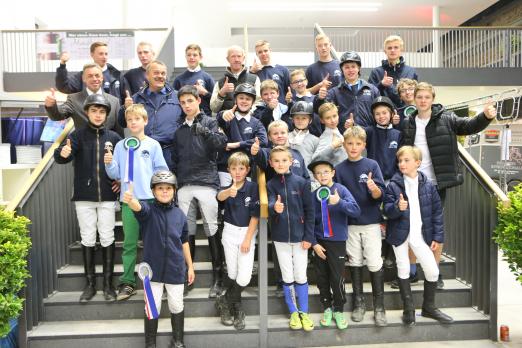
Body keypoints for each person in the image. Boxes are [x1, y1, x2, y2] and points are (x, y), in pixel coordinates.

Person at [400, 82, 497, 289]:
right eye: (420, 97)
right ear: (414, 99)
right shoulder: (409, 122)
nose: (423, 100)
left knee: (434, 229)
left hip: (436, 184)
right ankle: (413, 272)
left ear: (432, 99)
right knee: (412, 228)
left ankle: (434, 273)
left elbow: (469, 126)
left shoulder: (447, 118)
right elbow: (401, 151)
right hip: (412, 183)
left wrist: (486, 116)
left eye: (427, 97)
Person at [54, 94, 121, 303]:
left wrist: (119, 179)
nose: (98, 114)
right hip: (84, 196)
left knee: (108, 237)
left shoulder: (115, 138)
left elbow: (121, 167)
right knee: (88, 238)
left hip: (108, 197)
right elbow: (62, 156)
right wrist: (62, 153)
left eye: (102, 111)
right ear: (87, 112)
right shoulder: (78, 136)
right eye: (94, 110)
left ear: (107, 115)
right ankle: (90, 285)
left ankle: (108, 285)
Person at [123, 170, 195, 348]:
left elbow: (184, 241)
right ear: (153, 191)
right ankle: (150, 344)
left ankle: (178, 341)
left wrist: (190, 267)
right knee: (152, 307)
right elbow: (137, 207)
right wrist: (131, 200)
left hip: (176, 269)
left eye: (168, 188)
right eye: (160, 188)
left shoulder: (179, 215)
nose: (164, 191)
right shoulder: (148, 212)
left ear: (174, 190)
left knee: (177, 305)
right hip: (152, 271)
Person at [383, 146, 453, 325]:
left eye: (406, 160)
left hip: (420, 235)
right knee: (403, 268)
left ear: (417, 163)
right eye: (400, 161)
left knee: (432, 270)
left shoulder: (428, 185)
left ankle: (429, 307)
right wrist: (398, 208)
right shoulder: (393, 184)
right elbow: (387, 211)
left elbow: (437, 213)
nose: (402, 164)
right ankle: (408, 308)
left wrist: (437, 237)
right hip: (400, 235)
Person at [105, 104, 169, 301]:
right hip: (128, 201)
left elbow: (161, 171)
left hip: (150, 202)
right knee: (130, 244)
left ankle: (157, 278)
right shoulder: (120, 146)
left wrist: (161, 195)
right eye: (130, 119)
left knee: (155, 243)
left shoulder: (153, 145)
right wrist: (109, 163)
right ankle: (127, 282)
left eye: (137, 119)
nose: (133, 122)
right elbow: (115, 174)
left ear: (145, 121)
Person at [172, 85, 227, 298]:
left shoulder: (210, 122)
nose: (187, 105)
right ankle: (188, 275)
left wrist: (203, 130)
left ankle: (218, 278)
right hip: (185, 184)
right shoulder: (178, 130)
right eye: (183, 102)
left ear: (198, 101)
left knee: (212, 228)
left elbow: (221, 144)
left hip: (207, 183)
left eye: (190, 101)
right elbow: (175, 159)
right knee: (187, 231)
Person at [335, 126, 387, 327]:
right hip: (349, 225)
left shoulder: (372, 164)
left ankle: (379, 307)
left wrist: (374, 190)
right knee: (355, 261)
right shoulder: (339, 169)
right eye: (350, 143)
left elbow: (380, 195)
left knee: (374, 261)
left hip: (371, 222)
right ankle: (358, 303)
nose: (353, 147)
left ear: (364, 145)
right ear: (344, 145)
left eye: (358, 144)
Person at [308, 159, 360, 330]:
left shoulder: (341, 190)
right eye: (318, 173)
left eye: (325, 171)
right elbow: (309, 220)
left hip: (337, 241)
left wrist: (339, 202)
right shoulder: (314, 194)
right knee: (322, 277)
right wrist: (314, 243)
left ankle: (339, 309)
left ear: (332, 173)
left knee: (337, 277)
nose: (322, 175)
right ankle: (327, 307)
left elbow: (355, 210)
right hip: (319, 243)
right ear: (314, 176)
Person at [267, 146, 315, 331]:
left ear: (291, 162)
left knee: (301, 274)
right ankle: (294, 312)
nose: (280, 164)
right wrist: (274, 208)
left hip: (301, 237)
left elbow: (310, 212)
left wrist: (308, 236)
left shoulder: (302, 183)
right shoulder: (270, 184)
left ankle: (304, 312)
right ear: (271, 163)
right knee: (287, 275)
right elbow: (271, 201)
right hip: (280, 238)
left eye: (284, 160)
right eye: (276, 161)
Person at [216, 152, 260, 331]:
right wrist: (228, 191)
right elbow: (219, 197)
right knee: (232, 273)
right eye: (233, 168)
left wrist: (248, 239)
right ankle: (237, 308)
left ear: (248, 170)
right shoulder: (227, 187)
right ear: (228, 170)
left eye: (241, 168)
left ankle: (225, 300)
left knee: (244, 276)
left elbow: (255, 216)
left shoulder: (253, 187)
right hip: (229, 232)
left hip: (246, 233)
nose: (237, 172)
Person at [118, 60, 183, 171]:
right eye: (156, 73)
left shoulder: (178, 97)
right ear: (147, 75)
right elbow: (122, 122)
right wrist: (125, 108)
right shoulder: (136, 98)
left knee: (168, 187)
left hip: (170, 153)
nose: (160, 76)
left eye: (163, 73)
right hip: (144, 152)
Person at [45, 63, 123, 136]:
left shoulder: (114, 102)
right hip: (82, 148)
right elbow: (57, 116)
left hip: (107, 148)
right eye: (90, 76)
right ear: (84, 79)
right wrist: (51, 106)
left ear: (102, 78)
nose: (94, 79)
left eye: (97, 75)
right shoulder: (73, 99)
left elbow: (119, 132)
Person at [217, 83, 268, 186]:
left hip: (246, 170)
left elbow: (263, 140)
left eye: (248, 99)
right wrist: (223, 114)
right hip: (225, 169)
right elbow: (220, 118)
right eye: (241, 98)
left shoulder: (256, 123)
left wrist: (237, 144)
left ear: (252, 102)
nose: (244, 101)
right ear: (235, 100)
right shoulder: (229, 116)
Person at [317, 51, 380, 130]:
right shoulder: (334, 93)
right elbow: (321, 111)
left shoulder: (373, 90)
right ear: (342, 70)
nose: (350, 70)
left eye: (353, 66)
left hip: (368, 137)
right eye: (347, 67)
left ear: (359, 68)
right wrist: (319, 98)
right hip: (344, 138)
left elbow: (379, 114)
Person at [56, 41, 124, 101]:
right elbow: (64, 87)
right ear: (92, 54)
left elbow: (125, 98)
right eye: (101, 54)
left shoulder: (117, 75)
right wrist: (62, 65)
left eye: (106, 54)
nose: (104, 57)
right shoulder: (83, 76)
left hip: (113, 115)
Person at [368, 35, 418, 108]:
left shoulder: (411, 71)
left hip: (406, 113)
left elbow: (416, 93)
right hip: (384, 115)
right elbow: (369, 94)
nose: (392, 50)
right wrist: (381, 84)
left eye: (396, 47)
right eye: (389, 48)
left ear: (401, 50)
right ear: (385, 51)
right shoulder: (376, 72)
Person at [210, 45, 261, 114]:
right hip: (227, 123)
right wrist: (221, 93)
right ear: (227, 59)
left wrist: (247, 114)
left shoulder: (254, 79)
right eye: (233, 56)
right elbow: (214, 109)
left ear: (243, 58)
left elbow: (259, 102)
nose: (236, 59)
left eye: (239, 56)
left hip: (249, 122)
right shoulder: (220, 83)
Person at [172, 44, 215, 116]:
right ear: (185, 57)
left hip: (204, 119)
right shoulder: (178, 79)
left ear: (200, 57)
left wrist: (205, 93)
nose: (191, 57)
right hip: (185, 120)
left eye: (195, 55)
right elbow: (174, 101)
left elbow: (215, 102)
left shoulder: (208, 78)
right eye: (189, 55)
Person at [250, 40, 291, 105]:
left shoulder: (283, 70)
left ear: (270, 51)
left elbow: (290, 91)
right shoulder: (253, 73)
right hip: (262, 112)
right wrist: (251, 72)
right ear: (256, 54)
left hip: (281, 111)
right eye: (260, 52)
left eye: (265, 51)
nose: (263, 54)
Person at [287, 101, 319, 179]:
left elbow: (317, 162)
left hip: (308, 179)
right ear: (292, 119)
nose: (300, 121)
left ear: (310, 120)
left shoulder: (315, 140)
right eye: (297, 118)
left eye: (304, 118)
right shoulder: (286, 137)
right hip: (289, 177)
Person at [286, 69, 322, 137]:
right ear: (292, 85)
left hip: (316, 136)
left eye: (301, 80)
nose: (299, 84)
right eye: (296, 82)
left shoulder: (316, 98)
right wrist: (289, 102)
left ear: (306, 81)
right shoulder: (290, 100)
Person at [312, 103, 347, 167]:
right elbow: (315, 159)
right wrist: (332, 146)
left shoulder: (337, 132)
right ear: (322, 120)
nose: (333, 120)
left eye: (334, 116)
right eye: (328, 118)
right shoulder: (325, 137)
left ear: (338, 115)